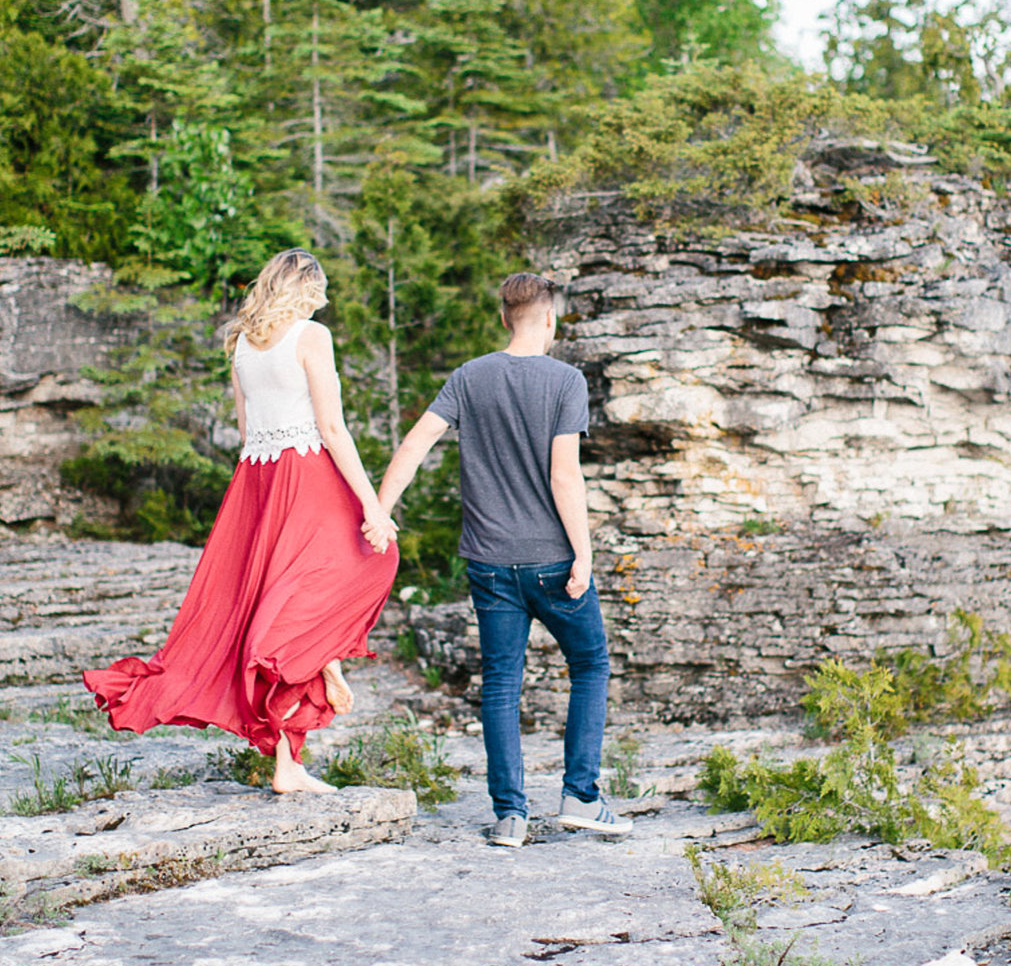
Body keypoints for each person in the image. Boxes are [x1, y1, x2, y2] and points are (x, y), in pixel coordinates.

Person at [84, 250, 398, 794]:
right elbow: (331, 426)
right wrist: (372, 504)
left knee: (261, 600)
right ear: (309, 287)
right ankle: (314, 653)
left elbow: (245, 425)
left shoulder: (242, 343)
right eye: (321, 287)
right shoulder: (311, 335)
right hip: (306, 473)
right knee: (373, 557)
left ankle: (288, 763)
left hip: (256, 481)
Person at [372, 271, 622, 847]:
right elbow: (565, 475)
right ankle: (581, 796)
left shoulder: (469, 376)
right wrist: (583, 554)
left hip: (488, 564)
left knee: (502, 682)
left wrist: (380, 512)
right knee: (590, 666)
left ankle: (510, 816)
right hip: (552, 561)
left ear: (503, 317)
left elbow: (414, 444)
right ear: (551, 319)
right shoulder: (565, 381)